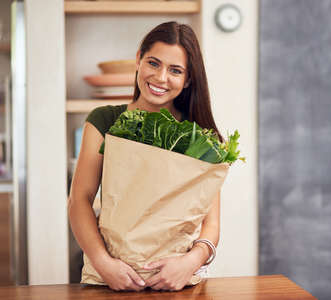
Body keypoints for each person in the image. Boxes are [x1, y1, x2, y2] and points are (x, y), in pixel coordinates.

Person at [68, 21, 223, 292]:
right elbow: (79, 200)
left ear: (187, 80)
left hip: (179, 283)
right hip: (113, 279)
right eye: (154, 63)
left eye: (175, 70)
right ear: (138, 59)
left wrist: (191, 261)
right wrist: (103, 263)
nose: (161, 78)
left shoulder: (199, 135)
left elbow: (211, 223)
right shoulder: (105, 120)